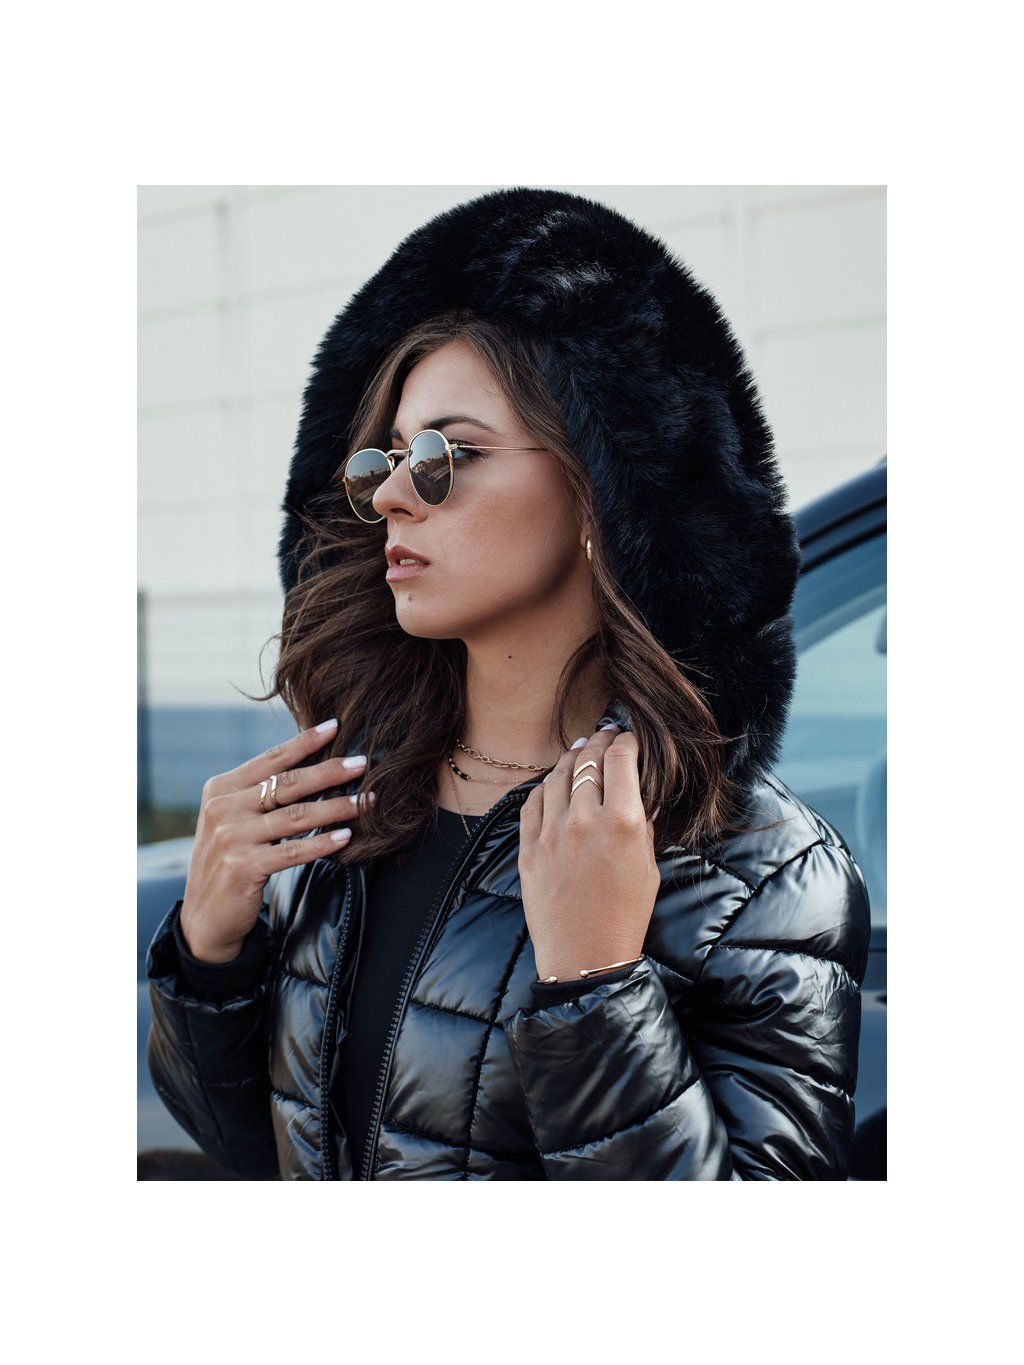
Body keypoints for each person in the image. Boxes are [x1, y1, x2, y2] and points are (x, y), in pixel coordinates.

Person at [147, 187, 871, 1181]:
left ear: (599, 491)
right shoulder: (349, 807)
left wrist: (595, 982)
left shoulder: (762, 873)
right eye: (385, 459)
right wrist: (207, 953)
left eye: (445, 456)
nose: (392, 495)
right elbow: (260, 1153)